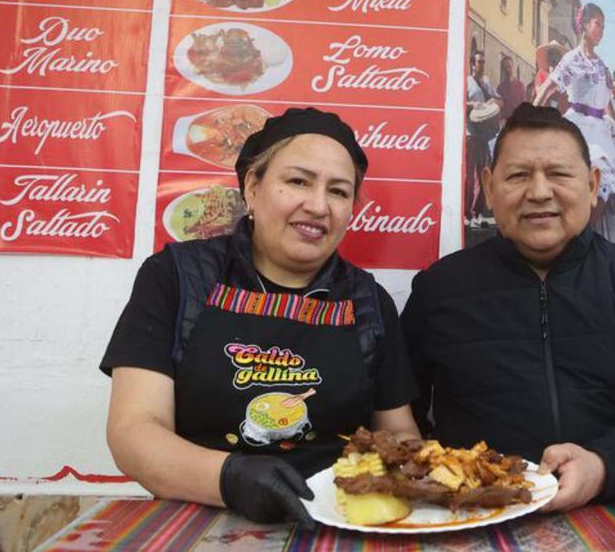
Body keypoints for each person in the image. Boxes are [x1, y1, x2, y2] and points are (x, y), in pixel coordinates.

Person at [101, 108, 420, 526]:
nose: (318, 205)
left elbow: (399, 434)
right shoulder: (177, 277)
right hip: (200, 514)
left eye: (339, 192)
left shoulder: (368, 302)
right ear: (252, 186)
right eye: (298, 181)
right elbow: (134, 430)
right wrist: (229, 477)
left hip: (334, 520)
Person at [402, 105, 615, 513]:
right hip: (478, 514)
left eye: (559, 174)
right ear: (489, 187)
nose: (540, 192)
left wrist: (602, 466)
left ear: (593, 184)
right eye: (518, 175)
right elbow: (400, 415)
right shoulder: (439, 289)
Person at [533, 3, 615, 244]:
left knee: (610, 190)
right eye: (597, 24)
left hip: (601, 129)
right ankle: (578, 240)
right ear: (585, 25)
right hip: (580, 131)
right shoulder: (572, 60)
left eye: (602, 25)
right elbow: (546, 91)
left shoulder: (601, 64)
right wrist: (528, 121)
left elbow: (607, 102)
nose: (601, 30)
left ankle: (593, 245)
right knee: (600, 181)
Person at [465, 48, 500, 226]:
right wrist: (473, 105)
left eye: (483, 62)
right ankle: (468, 214)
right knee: (471, 175)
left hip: (483, 136)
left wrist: (492, 102)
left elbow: (499, 100)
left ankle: (477, 213)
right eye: (479, 62)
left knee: (483, 173)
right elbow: (459, 102)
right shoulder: (467, 83)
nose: (482, 65)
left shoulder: (486, 85)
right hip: (470, 134)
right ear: (472, 65)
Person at [497, 56, 527, 122]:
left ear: (513, 67)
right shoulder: (500, 88)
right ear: (502, 69)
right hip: (505, 122)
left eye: (509, 67)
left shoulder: (520, 86)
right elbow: (498, 108)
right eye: (505, 68)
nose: (507, 70)